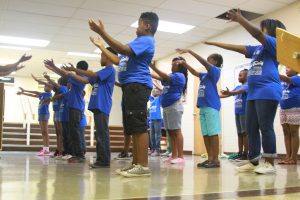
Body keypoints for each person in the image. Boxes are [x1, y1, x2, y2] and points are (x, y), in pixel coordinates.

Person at [205, 9, 286, 174]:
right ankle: (254, 161)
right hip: (253, 92)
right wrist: (215, 44)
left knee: (266, 127)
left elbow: (256, 33)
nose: (261, 30)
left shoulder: (274, 43)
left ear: (271, 30)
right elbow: (239, 48)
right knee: (251, 128)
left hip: (268, 90)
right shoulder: (258, 49)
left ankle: (270, 163)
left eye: (263, 28)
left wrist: (240, 19)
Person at [89, 12, 159, 177]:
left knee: (139, 126)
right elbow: (117, 59)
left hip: (138, 86)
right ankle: (135, 163)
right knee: (132, 127)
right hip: (131, 86)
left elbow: (122, 49)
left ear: (147, 26)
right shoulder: (137, 42)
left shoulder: (146, 40)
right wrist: (100, 46)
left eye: (139, 24)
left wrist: (102, 32)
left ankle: (143, 165)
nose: (137, 27)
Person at [63, 38, 117, 168]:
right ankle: (101, 160)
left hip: (103, 106)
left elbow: (91, 75)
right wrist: (73, 72)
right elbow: (86, 80)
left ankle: (104, 161)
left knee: (102, 134)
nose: (100, 57)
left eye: (102, 55)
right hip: (98, 106)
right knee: (99, 134)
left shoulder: (109, 69)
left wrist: (75, 70)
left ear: (108, 57)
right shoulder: (104, 72)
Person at [176, 49, 223, 168]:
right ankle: (210, 158)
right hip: (203, 107)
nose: (207, 61)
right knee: (206, 134)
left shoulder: (216, 71)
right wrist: (184, 63)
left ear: (215, 62)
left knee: (213, 134)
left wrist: (190, 51)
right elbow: (193, 72)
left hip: (211, 106)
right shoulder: (205, 75)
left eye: (210, 60)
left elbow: (203, 63)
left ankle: (216, 160)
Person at [44, 59, 88, 163]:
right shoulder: (76, 82)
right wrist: (54, 68)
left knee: (75, 132)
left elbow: (65, 75)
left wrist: (54, 66)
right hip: (72, 109)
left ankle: (79, 155)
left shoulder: (81, 78)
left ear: (79, 69)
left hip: (76, 109)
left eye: (77, 68)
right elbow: (64, 78)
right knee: (72, 132)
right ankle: (74, 153)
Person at [150, 57, 188, 164]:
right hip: (167, 107)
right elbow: (159, 76)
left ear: (180, 66)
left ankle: (180, 156)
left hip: (174, 106)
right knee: (170, 132)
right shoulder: (171, 76)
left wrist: (152, 66)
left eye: (174, 64)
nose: (172, 66)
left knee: (176, 131)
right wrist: (147, 71)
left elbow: (163, 75)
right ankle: (174, 155)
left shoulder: (179, 76)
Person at [219, 69, 249, 161]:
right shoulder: (237, 87)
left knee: (245, 133)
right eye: (238, 75)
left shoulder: (248, 86)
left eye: (241, 75)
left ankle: (245, 153)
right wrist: (217, 95)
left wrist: (230, 92)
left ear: (247, 76)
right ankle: (240, 153)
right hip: (237, 112)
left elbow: (237, 92)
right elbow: (227, 95)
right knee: (239, 133)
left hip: (245, 112)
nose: (238, 77)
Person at [17, 84, 52, 156]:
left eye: (47, 86)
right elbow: (33, 95)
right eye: (45, 86)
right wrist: (23, 93)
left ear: (51, 88)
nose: (45, 87)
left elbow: (35, 92)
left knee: (45, 131)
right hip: (41, 113)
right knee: (43, 132)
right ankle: (44, 148)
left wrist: (25, 90)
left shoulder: (48, 94)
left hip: (45, 114)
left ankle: (47, 149)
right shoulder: (43, 95)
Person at [278, 68, 300, 165]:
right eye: (286, 67)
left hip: (294, 108)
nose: (286, 69)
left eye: (289, 67)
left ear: (296, 70)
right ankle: (288, 156)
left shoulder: (297, 78)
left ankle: (293, 158)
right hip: (283, 108)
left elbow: (286, 79)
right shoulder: (283, 82)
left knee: (294, 132)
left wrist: (272, 71)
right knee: (286, 133)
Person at [149, 88, 163, 157]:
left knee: (157, 135)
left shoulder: (159, 99)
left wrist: (159, 89)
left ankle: (157, 150)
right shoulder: (151, 99)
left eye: (156, 90)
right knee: (151, 135)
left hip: (157, 119)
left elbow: (161, 91)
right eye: (153, 90)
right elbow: (148, 91)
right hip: (151, 119)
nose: (154, 91)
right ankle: (153, 149)